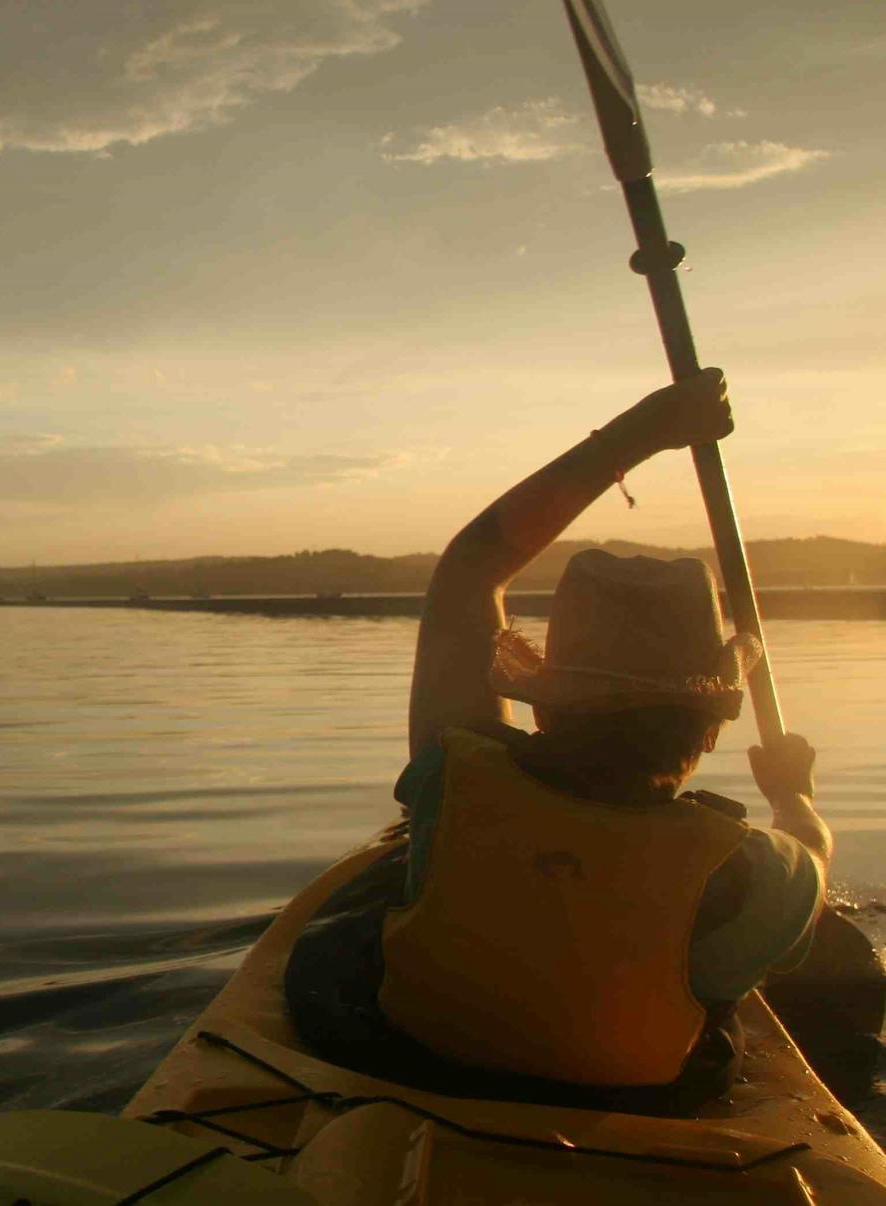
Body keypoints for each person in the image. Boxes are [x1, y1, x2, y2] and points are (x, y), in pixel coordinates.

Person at [285, 367, 829, 1112]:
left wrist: (643, 431)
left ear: (543, 707)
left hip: (406, 1053)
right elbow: (813, 860)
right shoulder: (753, 869)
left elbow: (471, 567)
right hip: (637, 1100)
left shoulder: (452, 771)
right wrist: (792, 793)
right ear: (710, 728)